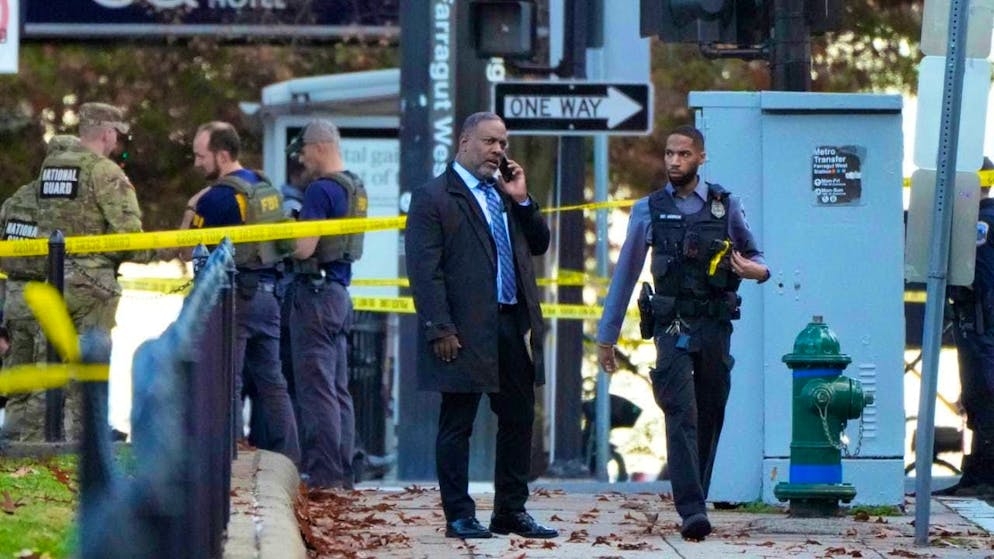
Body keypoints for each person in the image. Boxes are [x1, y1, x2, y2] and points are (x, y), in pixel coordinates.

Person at [595, 125, 769, 541]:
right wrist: (608, 336)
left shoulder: (726, 206)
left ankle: (698, 497)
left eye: (683, 154)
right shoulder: (648, 210)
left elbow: (757, 256)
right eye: (670, 154)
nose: (674, 161)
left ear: (701, 158)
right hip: (671, 328)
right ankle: (691, 509)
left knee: (711, 412)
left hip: (714, 326)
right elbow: (626, 274)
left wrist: (757, 271)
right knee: (680, 412)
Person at [405, 112, 557, 540]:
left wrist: (523, 199)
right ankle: (459, 514)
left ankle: (510, 510)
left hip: (510, 324)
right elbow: (425, 271)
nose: (498, 151)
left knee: (519, 416)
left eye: (503, 143)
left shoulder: (504, 193)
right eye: (490, 142)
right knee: (458, 423)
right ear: (464, 142)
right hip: (462, 330)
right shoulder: (433, 196)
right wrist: (440, 328)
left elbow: (540, 243)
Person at [6, 102, 149, 442]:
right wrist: (157, 250)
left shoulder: (49, 171)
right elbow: (131, 238)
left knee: (48, 371)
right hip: (92, 287)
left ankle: (36, 447)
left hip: (52, 281)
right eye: (118, 137)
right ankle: (85, 450)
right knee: (88, 373)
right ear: (108, 133)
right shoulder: (105, 172)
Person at [185, 121, 300, 464]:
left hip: (234, 299)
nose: (196, 164)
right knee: (273, 383)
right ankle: (289, 459)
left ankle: (228, 461)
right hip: (269, 295)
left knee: (226, 380)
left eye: (201, 156)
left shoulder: (217, 198)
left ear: (222, 155)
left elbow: (182, 248)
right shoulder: (264, 187)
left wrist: (192, 207)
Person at [287, 119, 366, 489]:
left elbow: (305, 247)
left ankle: (322, 476)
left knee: (316, 389)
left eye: (303, 150)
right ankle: (343, 472)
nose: (302, 158)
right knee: (337, 389)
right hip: (339, 293)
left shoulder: (320, 190)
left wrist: (284, 233)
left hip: (315, 296)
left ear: (319, 146)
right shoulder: (354, 186)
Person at [0, 135, 80, 441]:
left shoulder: (16, 199)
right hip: (44, 294)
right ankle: (34, 447)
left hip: (14, 299)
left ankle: (10, 446)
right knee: (44, 379)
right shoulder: (58, 204)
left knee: (16, 382)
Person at [942, 169, 994, 496]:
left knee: (983, 396)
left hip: (980, 324)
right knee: (976, 398)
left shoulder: (981, 222)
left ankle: (984, 479)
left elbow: (971, 277)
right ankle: (976, 476)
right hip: (979, 323)